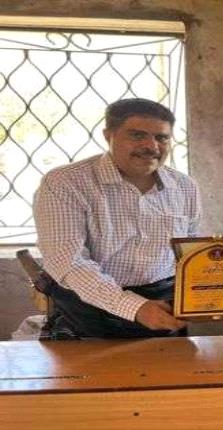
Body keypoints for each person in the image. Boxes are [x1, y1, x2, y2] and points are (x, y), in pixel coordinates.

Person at [33, 98, 201, 339]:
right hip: (88, 311)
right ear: (108, 135)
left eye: (162, 138)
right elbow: (68, 261)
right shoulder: (65, 183)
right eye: (137, 135)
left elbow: (189, 253)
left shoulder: (185, 187)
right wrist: (135, 307)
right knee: (90, 365)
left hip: (163, 310)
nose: (151, 146)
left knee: (170, 365)